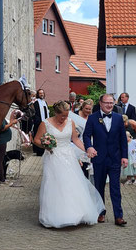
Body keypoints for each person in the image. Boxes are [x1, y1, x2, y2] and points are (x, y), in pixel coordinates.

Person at [33, 100, 104, 228]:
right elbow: (36, 140)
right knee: (56, 184)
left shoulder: (70, 122)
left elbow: (75, 139)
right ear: (56, 113)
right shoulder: (46, 123)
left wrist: (87, 149)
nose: (64, 118)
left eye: (66, 116)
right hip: (53, 157)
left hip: (69, 156)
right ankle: (56, 214)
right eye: (62, 116)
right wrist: (45, 145)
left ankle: (76, 213)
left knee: (72, 183)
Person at [83, 94, 128, 226]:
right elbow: (86, 135)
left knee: (115, 188)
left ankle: (118, 216)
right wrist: (89, 147)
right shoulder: (92, 118)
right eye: (107, 103)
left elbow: (123, 139)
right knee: (99, 186)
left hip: (115, 158)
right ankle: (100, 212)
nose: (109, 105)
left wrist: (124, 156)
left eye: (111, 103)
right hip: (99, 158)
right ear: (101, 103)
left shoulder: (119, 118)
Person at [0, 116, 18, 185]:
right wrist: (12, 123)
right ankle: (2, 180)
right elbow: (2, 128)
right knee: (0, 161)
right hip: (0, 141)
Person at [74, 99, 94, 178]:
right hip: (76, 142)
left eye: (89, 109)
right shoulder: (75, 116)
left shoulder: (92, 117)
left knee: (86, 165)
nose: (88, 111)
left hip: (88, 142)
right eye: (86, 108)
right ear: (82, 107)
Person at [32, 89, 49, 156]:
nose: (41, 94)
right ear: (38, 95)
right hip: (38, 123)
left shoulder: (45, 102)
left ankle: (44, 149)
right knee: (38, 136)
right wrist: (38, 121)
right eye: (40, 93)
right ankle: (38, 151)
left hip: (45, 122)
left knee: (44, 136)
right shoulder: (36, 102)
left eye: (42, 93)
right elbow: (35, 113)